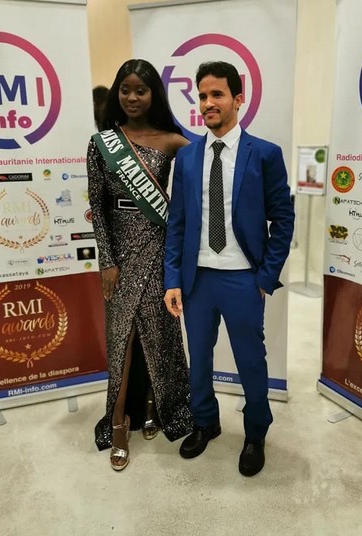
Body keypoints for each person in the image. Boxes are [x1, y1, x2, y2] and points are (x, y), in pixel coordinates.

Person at [163, 61, 294, 477]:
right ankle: (205, 422)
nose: (208, 103)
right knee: (199, 359)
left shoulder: (265, 154)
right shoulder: (187, 157)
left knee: (250, 362)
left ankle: (255, 433)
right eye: (202, 96)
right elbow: (177, 224)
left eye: (216, 94)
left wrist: (265, 277)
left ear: (238, 99)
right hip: (197, 280)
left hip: (243, 279)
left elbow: (283, 219)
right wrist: (172, 279)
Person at [87, 59, 192, 471]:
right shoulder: (102, 144)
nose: (132, 97)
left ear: (154, 95)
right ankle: (118, 421)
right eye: (125, 89)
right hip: (119, 254)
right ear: (117, 93)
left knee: (158, 334)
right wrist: (107, 261)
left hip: (158, 250)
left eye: (141, 90)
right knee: (123, 337)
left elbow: (209, 167)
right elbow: (98, 207)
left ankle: (154, 406)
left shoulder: (172, 141)